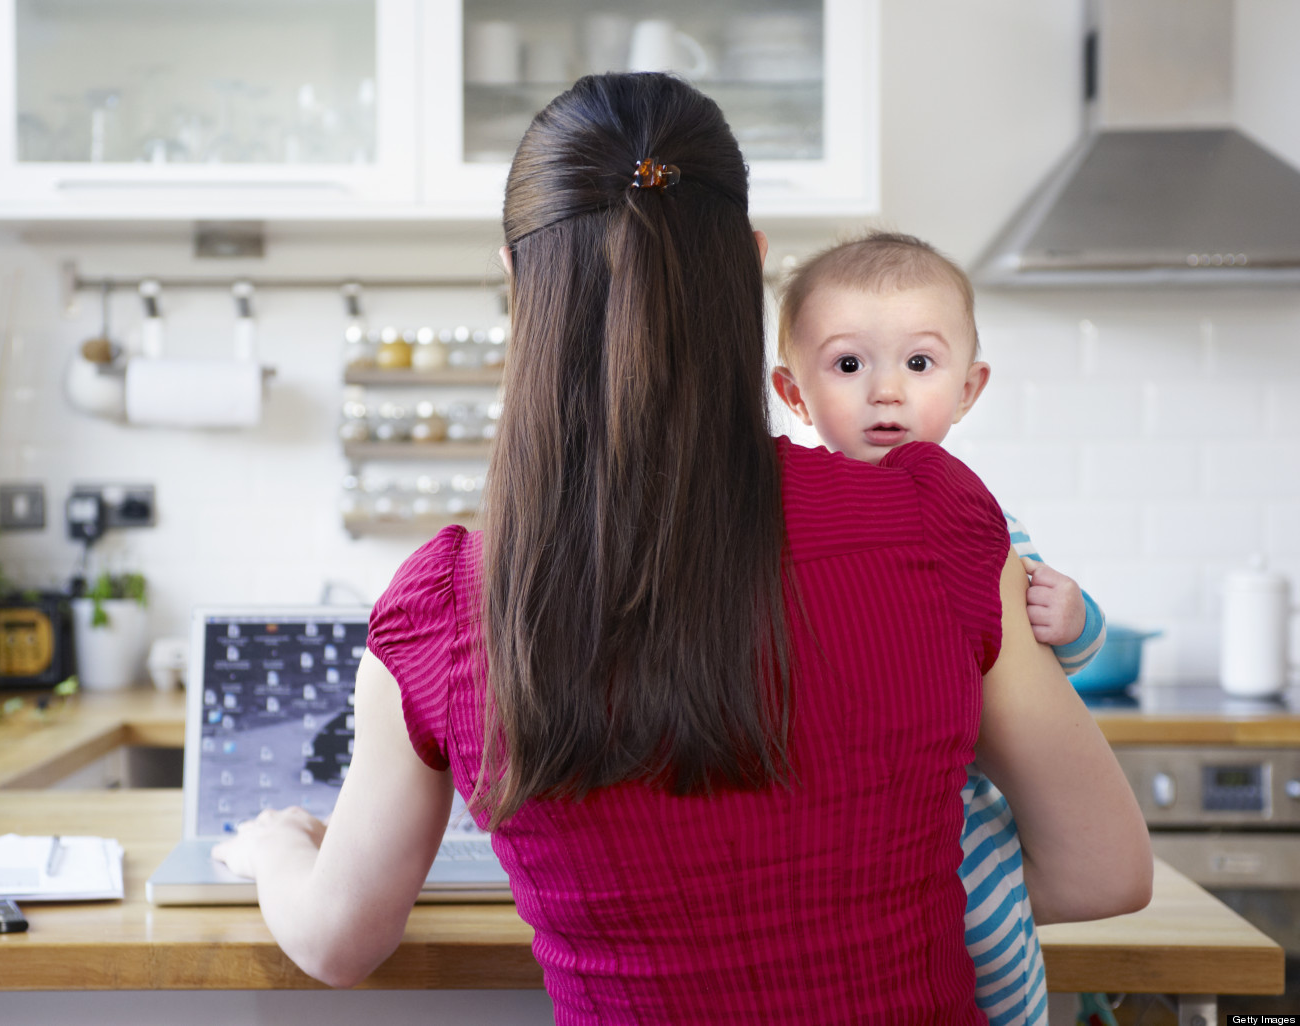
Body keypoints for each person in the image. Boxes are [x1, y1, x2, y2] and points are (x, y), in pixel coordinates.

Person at [213, 74, 1151, 1023]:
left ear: (516, 276)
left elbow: (339, 941)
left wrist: (278, 847)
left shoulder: (445, 605)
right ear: (748, 260)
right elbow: (1105, 871)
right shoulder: (933, 521)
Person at [770, 230, 1108, 1025]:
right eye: (849, 365)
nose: (886, 392)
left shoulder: (980, 522)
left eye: (919, 364)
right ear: (793, 392)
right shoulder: (783, 525)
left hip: (965, 815)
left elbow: (1073, 655)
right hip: (836, 819)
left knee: (995, 949)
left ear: (968, 387)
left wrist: (1073, 616)